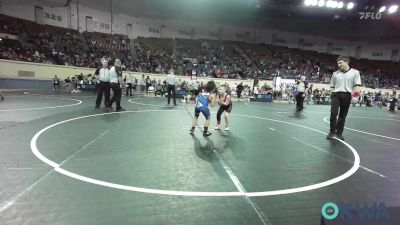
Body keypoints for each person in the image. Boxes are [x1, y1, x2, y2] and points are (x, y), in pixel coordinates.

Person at [327, 56, 361, 140]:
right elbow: (332, 86)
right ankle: (332, 132)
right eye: (338, 63)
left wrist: (356, 96)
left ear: (347, 62)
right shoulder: (335, 73)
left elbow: (357, 85)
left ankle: (339, 133)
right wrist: (331, 95)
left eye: (340, 63)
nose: (338, 65)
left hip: (347, 95)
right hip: (336, 95)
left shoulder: (355, 72)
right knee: (333, 113)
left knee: (342, 115)